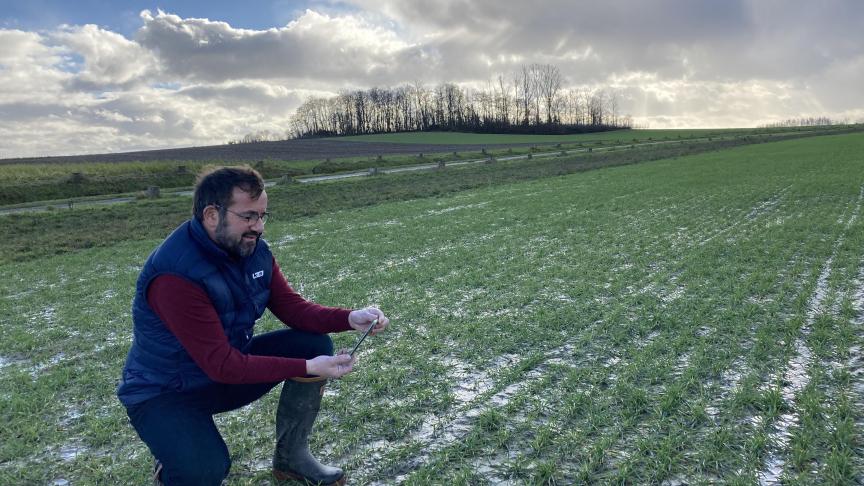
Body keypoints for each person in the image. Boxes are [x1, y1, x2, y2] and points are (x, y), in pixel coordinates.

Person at [116, 166, 388, 485]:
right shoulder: (175, 276)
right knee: (204, 468)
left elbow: (292, 309)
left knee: (313, 344)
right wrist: (308, 366)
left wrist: (349, 318)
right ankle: (176, 458)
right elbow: (222, 365)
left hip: (221, 375)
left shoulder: (252, 250)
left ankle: (291, 460)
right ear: (212, 215)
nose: (258, 227)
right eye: (248, 216)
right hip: (166, 392)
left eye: (262, 216)